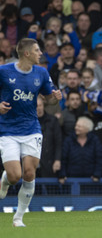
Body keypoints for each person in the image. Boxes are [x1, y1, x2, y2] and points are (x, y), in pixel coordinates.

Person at [0, 38, 62, 227]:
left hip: (31, 129)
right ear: (26, 53)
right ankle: (5, 179)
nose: (40, 53)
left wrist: (55, 98)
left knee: (29, 173)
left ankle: (18, 217)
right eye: (37, 50)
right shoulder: (4, 71)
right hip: (7, 130)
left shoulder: (42, 73)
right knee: (14, 176)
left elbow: (49, 99)